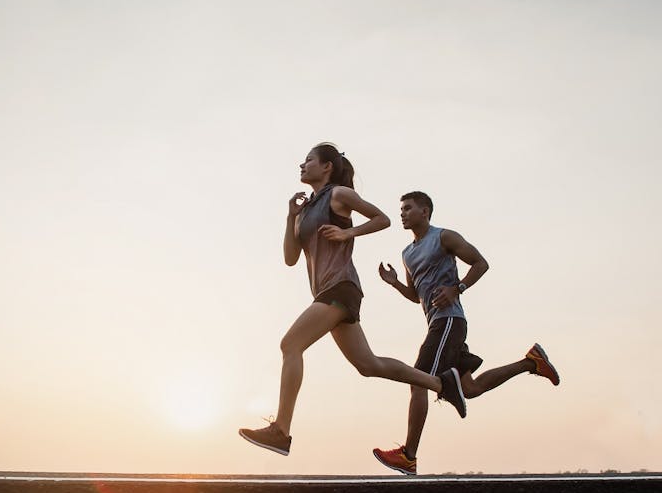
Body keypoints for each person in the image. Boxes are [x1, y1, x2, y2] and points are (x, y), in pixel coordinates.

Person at [239, 145, 467, 456]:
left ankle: (281, 430)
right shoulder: (304, 210)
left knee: (290, 344)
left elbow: (382, 219)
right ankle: (442, 384)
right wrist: (290, 216)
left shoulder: (339, 195)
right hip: (325, 292)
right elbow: (290, 258)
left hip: (341, 288)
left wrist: (349, 234)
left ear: (327, 167)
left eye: (309, 160)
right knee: (368, 365)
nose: (302, 165)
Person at [372, 190, 560, 475]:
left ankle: (408, 455)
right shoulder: (407, 253)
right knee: (470, 389)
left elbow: (481, 263)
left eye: (408, 208)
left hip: (449, 321)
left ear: (425, 211)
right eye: (401, 209)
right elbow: (416, 295)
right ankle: (531, 362)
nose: (402, 213)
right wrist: (395, 283)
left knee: (418, 380)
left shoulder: (444, 237)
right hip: (440, 322)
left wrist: (457, 288)